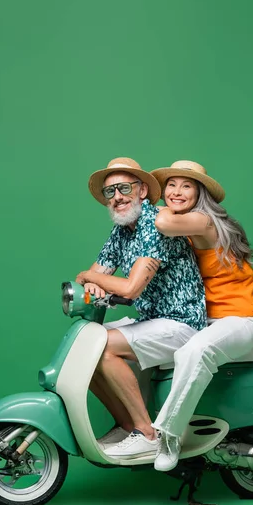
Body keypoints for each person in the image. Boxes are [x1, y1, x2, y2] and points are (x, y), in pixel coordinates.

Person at [75, 157, 206, 459]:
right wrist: (94, 281)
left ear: (142, 191)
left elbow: (131, 287)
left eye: (124, 188)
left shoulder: (156, 223)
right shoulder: (123, 231)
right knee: (85, 346)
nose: (118, 197)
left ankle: (146, 433)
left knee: (103, 346)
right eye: (110, 192)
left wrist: (91, 277)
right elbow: (98, 274)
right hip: (152, 320)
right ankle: (126, 426)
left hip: (181, 323)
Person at [150, 160, 253, 472]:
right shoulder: (186, 226)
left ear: (200, 193)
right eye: (170, 185)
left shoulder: (201, 222)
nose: (176, 191)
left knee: (194, 351)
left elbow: (160, 222)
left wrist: (159, 205)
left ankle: (169, 436)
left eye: (186, 185)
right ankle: (138, 429)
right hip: (201, 318)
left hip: (240, 318)